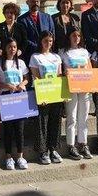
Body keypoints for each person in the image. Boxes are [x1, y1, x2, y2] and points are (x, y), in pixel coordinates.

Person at [0, 38, 29, 170]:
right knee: (8, 129)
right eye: (9, 47)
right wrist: (5, 85)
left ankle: (20, 156)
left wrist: (21, 84)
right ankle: (8, 157)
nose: (12, 49)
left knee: (20, 129)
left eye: (14, 47)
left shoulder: (21, 63)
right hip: (6, 98)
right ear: (5, 48)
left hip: (19, 97)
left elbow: (26, 78)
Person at [29, 30, 64, 165]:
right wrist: (43, 92)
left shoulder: (56, 57)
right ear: (40, 41)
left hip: (55, 93)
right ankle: (43, 152)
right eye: (45, 41)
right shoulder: (35, 57)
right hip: (43, 93)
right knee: (42, 122)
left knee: (55, 121)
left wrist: (62, 93)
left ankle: (53, 148)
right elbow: (36, 76)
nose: (48, 43)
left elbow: (59, 75)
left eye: (50, 41)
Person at [59, 30, 92, 160]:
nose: (76, 38)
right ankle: (71, 145)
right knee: (72, 117)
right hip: (71, 88)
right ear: (69, 37)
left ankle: (83, 144)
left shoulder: (84, 51)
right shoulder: (63, 52)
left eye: (79, 35)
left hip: (84, 87)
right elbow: (60, 70)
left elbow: (89, 68)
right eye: (74, 35)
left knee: (83, 117)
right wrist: (67, 71)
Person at [17, 0, 55, 65]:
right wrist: (38, 47)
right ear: (27, 3)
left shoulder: (47, 17)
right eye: (33, 2)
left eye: (37, 1)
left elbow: (52, 35)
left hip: (46, 54)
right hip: (30, 55)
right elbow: (24, 39)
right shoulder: (21, 20)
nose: (36, 3)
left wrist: (46, 47)